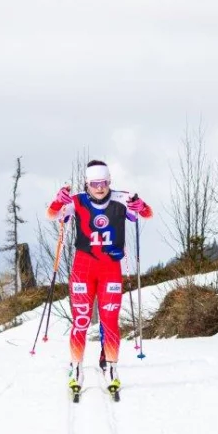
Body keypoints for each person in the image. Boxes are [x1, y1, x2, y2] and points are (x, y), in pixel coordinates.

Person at [46, 160, 153, 398]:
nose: (99, 188)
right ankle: (76, 370)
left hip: (110, 269)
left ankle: (112, 370)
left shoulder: (121, 199)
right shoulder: (76, 201)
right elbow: (52, 214)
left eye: (103, 183)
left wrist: (140, 204)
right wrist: (58, 200)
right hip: (83, 268)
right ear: (87, 184)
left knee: (110, 320)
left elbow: (147, 213)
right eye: (94, 184)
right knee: (81, 321)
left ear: (109, 181)